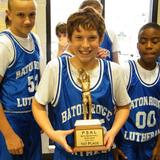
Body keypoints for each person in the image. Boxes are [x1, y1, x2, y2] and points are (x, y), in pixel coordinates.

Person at [32, 7, 131, 160]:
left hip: (103, 155)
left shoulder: (113, 71)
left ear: (101, 38)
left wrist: (113, 132)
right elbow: (38, 105)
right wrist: (52, 133)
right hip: (67, 154)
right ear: (69, 38)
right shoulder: (55, 68)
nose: (85, 45)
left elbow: (124, 106)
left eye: (91, 38)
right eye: (79, 37)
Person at [0, 0, 43, 159]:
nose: (27, 20)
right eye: (20, 15)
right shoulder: (4, 44)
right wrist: (9, 134)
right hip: (10, 122)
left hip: (31, 120)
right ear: (9, 15)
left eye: (32, 15)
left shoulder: (35, 39)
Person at [117, 22, 160, 160]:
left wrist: (159, 145)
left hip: (152, 143)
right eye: (143, 41)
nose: (148, 46)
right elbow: (112, 109)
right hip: (126, 144)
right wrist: (114, 145)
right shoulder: (126, 70)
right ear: (137, 46)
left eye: (155, 41)